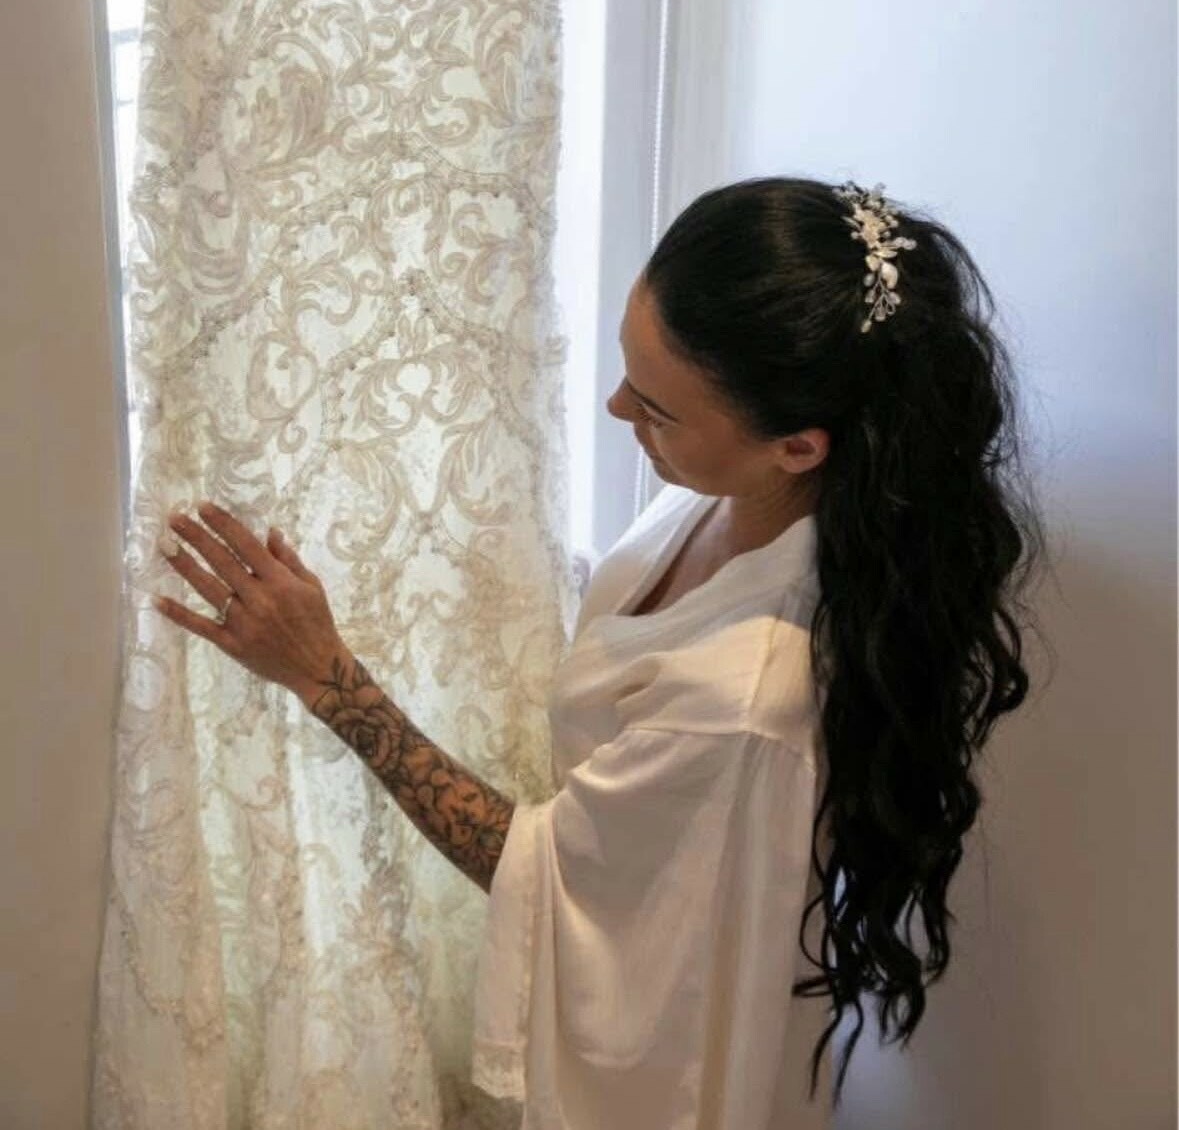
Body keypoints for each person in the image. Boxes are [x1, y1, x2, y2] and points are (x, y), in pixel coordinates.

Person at [153, 174, 1049, 1126]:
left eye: (657, 409)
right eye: (630, 369)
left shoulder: (742, 700)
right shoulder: (745, 500)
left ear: (796, 446)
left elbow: (540, 873)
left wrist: (325, 677)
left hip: (668, 1070)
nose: (620, 408)